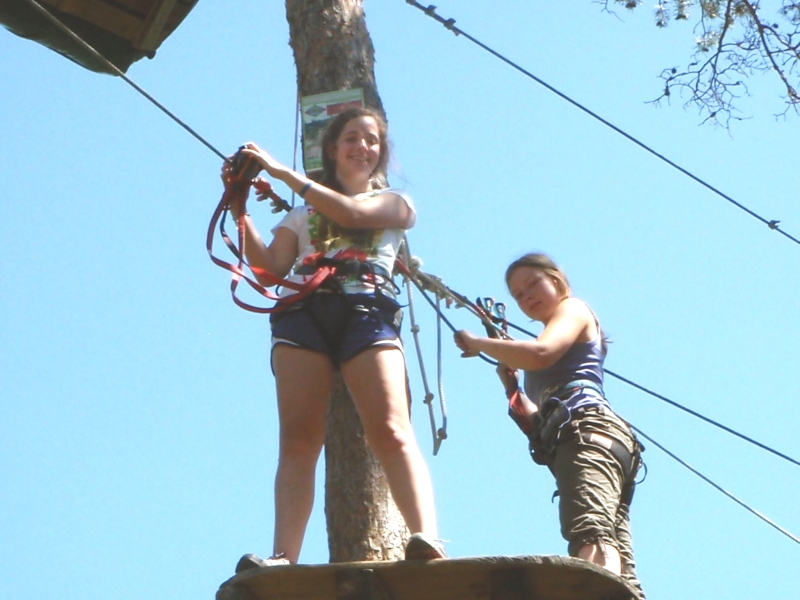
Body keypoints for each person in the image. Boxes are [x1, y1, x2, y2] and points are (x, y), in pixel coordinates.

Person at [222, 107, 444, 569]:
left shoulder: (397, 203)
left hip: (367, 310)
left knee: (390, 429)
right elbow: (269, 268)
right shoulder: (301, 214)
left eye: (372, 140)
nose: (363, 147)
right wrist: (239, 208)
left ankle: (426, 537)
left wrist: (282, 173)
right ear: (332, 149)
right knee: (298, 441)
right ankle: (283, 556)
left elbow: (350, 213)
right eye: (352, 138)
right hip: (303, 313)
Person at [454, 253, 645, 599]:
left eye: (533, 284)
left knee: (590, 531)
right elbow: (537, 420)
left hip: (587, 432)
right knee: (612, 547)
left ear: (556, 280)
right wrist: (512, 386)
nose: (527, 296)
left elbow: (540, 353)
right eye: (519, 294)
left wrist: (479, 343)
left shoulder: (573, 309)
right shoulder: (545, 342)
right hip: (588, 438)